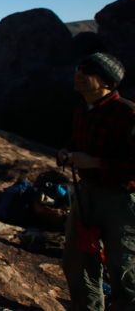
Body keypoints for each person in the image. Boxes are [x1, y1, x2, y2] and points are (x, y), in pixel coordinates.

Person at [57, 52, 135, 311]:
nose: (78, 75)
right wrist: (66, 153)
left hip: (121, 199)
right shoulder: (82, 110)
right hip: (86, 194)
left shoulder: (128, 114)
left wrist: (96, 162)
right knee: (77, 260)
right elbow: (76, 143)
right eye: (78, 69)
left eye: (88, 72)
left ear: (107, 82)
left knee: (122, 267)